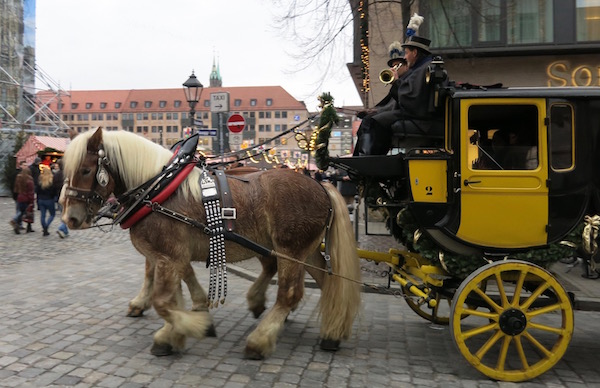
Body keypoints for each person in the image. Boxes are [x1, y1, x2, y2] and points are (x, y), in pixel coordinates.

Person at [353, 34, 435, 156]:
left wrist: (396, 82)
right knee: (369, 120)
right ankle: (362, 159)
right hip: (411, 111)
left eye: (407, 53)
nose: (405, 57)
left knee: (373, 122)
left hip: (416, 114)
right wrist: (374, 111)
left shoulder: (423, 68)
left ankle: (370, 161)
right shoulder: (419, 69)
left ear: (415, 53)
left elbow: (410, 99)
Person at [10, 167, 35, 234]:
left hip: (20, 196)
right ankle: (15, 219)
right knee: (23, 212)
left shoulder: (19, 178)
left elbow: (15, 188)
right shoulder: (29, 180)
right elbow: (31, 192)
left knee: (20, 211)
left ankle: (17, 225)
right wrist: (31, 201)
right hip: (26, 198)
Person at [37, 165, 59, 236]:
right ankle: (46, 226)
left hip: (41, 199)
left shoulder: (40, 181)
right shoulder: (51, 181)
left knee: (42, 215)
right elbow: (54, 191)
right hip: (49, 199)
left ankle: (44, 227)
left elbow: (37, 191)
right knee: (52, 214)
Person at [53, 160, 70, 238]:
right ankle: (61, 227)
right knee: (66, 215)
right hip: (66, 196)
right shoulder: (67, 175)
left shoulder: (56, 175)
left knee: (63, 214)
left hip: (58, 196)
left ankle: (65, 231)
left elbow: (54, 185)